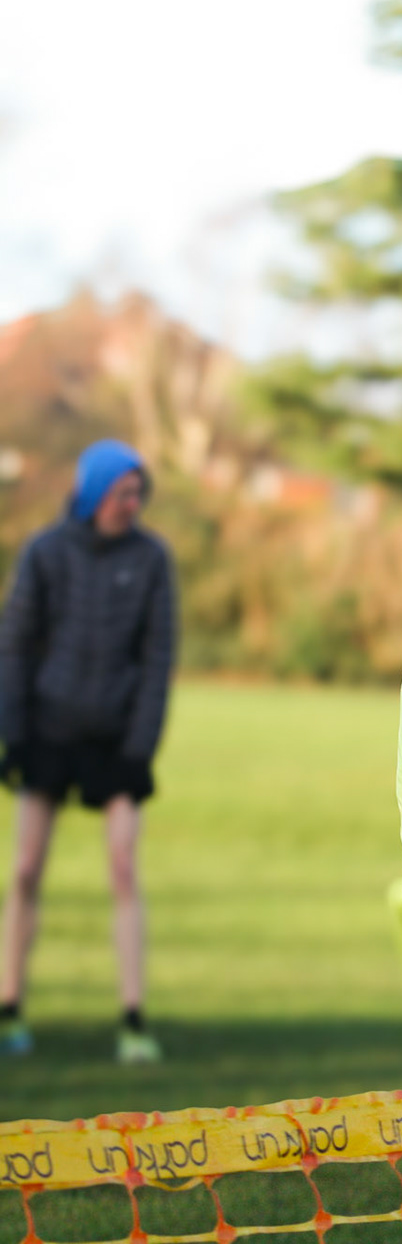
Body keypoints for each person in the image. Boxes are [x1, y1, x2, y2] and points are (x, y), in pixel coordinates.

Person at [0, 439, 175, 1066]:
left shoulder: (152, 560)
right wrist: (12, 735)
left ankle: (133, 1018)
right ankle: (9, 1006)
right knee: (24, 870)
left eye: (138, 493)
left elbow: (157, 662)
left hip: (114, 742)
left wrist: (139, 750)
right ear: (95, 491)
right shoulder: (46, 553)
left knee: (124, 869)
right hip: (48, 731)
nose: (133, 503)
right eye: (123, 491)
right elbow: (15, 646)